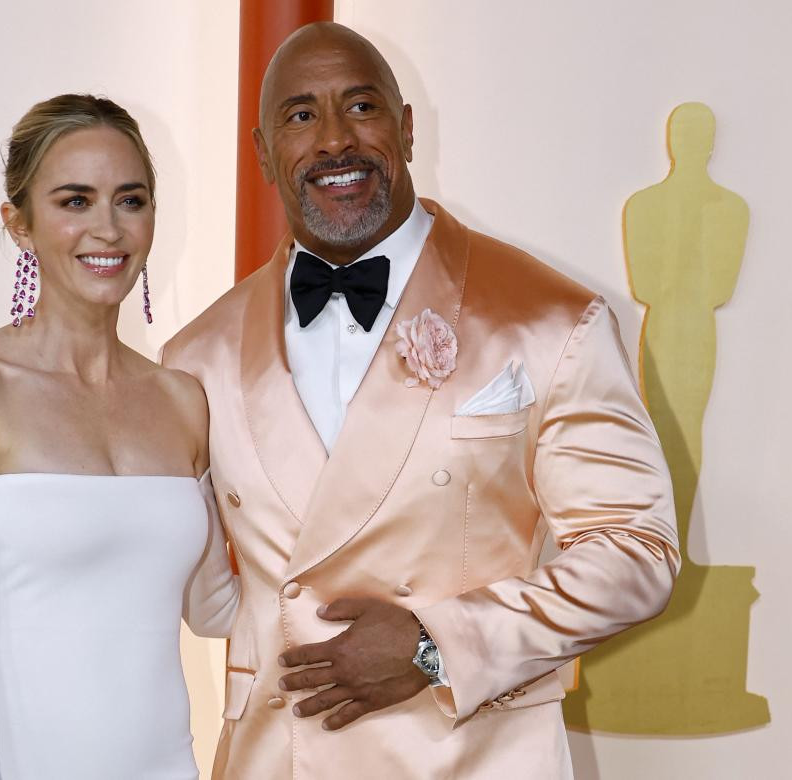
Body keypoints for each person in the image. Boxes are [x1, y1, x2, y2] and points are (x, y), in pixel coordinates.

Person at [161, 22, 680, 779]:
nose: (335, 140)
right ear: (264, 153)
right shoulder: (194, 356)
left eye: (361, 107)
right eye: (301, 116)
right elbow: (208, 598)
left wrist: (439, 645)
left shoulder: (548, 318)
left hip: (473, 755)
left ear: (405, 130)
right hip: (280, 759)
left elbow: (637, 548)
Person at [0, 94, 239, 780]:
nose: (108, 230)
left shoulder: (182, 398)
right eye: (75, 201)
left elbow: (215, 610)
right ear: (19, 224)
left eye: (131, 200)